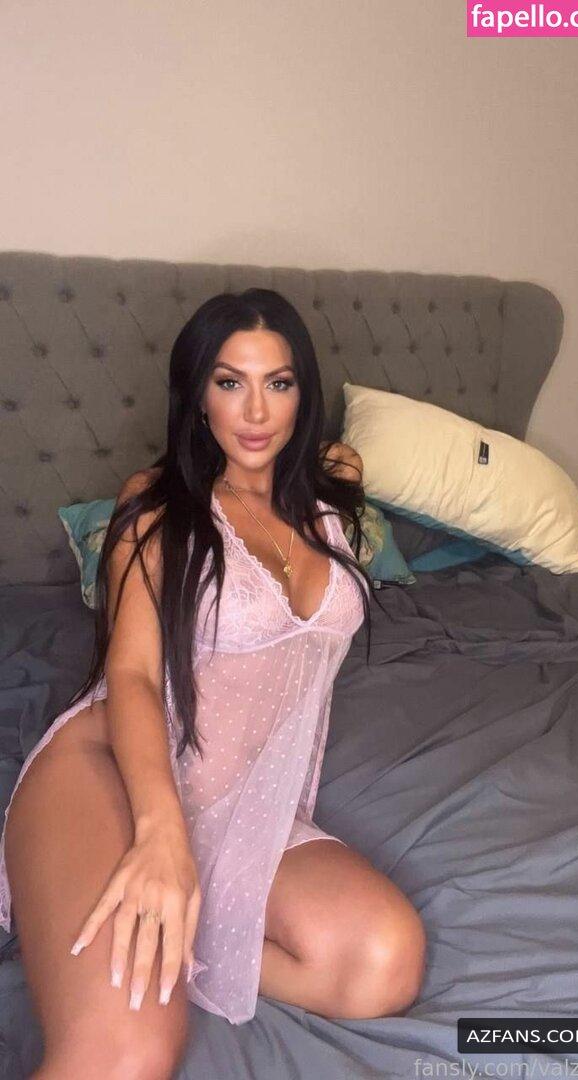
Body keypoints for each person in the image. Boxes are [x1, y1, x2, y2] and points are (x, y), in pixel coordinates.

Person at [0, 288, 427, 1078]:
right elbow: (131, 673)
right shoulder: (157, 505)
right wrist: (160, 834)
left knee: (382, 962)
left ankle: (179, 929)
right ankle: (98, 900)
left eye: (279, 382)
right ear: (198, 396)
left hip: (246, 802)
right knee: (130, 1053)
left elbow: (343, 457)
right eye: (230, 382)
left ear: (304, 392)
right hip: (114, 773)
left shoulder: (329, 491)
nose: (256, 411)